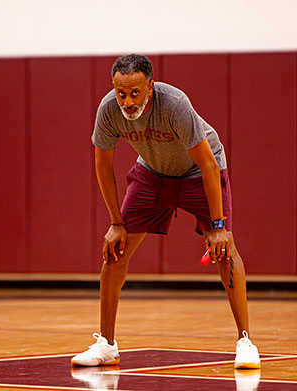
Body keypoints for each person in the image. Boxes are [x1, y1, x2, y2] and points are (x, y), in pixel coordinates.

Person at [71, 54, 261, 369]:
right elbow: (102, 167)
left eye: (135, 93)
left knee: (225, 250)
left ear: (151, 87)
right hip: (152, 174)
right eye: (121, 93)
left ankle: (245, 341)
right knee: (115, 251)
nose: (127, 101)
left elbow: (208, 163)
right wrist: (116, 222)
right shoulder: (108, 110)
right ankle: (106, 344)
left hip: (198, 173)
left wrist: (217, 225)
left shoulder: (174, 104)